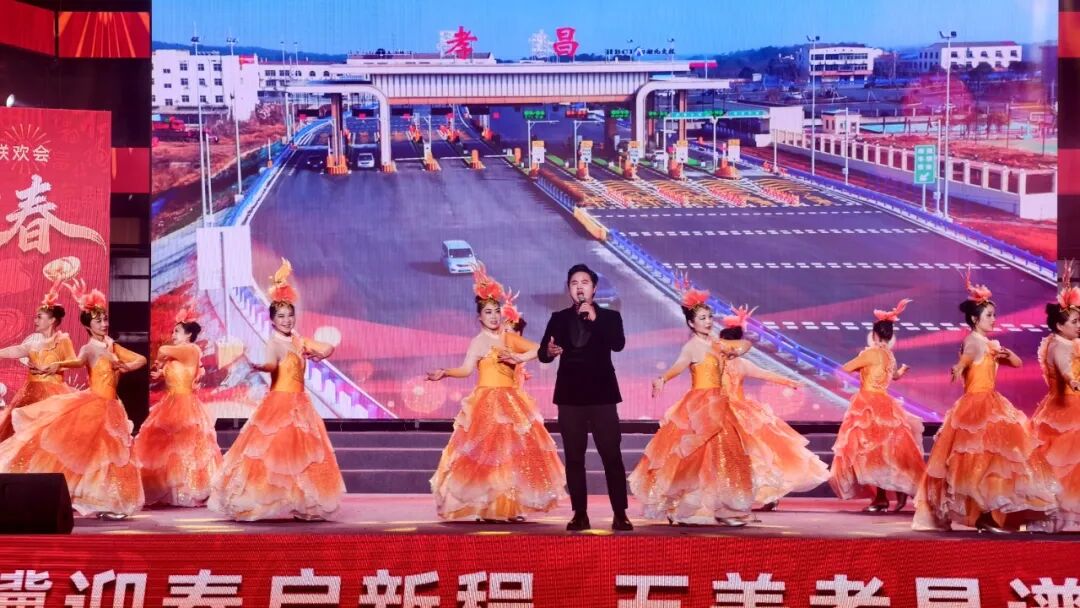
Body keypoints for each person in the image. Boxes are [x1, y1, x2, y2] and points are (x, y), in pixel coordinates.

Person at [913, 269, 1058, 533]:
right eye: (989, 315)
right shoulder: (974, 341)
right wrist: (960, 366)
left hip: (990, 403)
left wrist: (1008, 355)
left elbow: (1016, 363)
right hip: (977, 406)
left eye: (993, 314)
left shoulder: (989, 344)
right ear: (974, 318)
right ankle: (984, 515)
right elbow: (968, 356)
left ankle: (988, 515)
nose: (993, 319)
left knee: (992, 460)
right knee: (980, 460)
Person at [209, 259, 345, 521]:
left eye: (290, 316)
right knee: (274, 453)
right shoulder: (274, 343)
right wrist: (257, 365)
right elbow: (271, 364)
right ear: (272, 320)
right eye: (281, 316)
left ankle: (304, 503)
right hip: (279, 404)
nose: (286, 320)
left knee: (303, 455)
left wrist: (318, 353)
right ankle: (258, 501)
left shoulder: (298, 340)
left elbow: (328, 347)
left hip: (300, 405)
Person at [427, 265, 565, 521]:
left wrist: (518, 357)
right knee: (485, 457)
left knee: (513, 456)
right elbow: (466, 370)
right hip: (485, 403)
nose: (493, 316)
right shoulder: (477, 342)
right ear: (479, 317)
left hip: (511, 401)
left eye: (496, 311)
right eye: (488, 312)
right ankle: (486, 506)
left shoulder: (508, 338)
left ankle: (511, 507)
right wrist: (445, 373)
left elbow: (540, 349)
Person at [0, 280, 146, 519]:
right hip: (91, 404)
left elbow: (140, 359)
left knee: (110, 454)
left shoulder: (109, 345)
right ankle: (79, 496)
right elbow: (75, 361)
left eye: (105, 320)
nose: (104, 324)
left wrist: (127, 366)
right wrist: (56, 365)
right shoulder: (87, 348)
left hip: (110, 406)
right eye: (99, 321)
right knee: (78, 450)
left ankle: (107, 500)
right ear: (89, 326)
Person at [628, 276, 754, 526]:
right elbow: (678, 366)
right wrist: (662, 378)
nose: (708, 322)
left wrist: (731, 350)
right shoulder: (692, 347)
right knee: (695, 458)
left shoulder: (717, 344)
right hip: (700, 405)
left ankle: (724, 508)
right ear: (691, 323)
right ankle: (686, 508)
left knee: (725, 455)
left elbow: (745, 344)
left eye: (709, 317)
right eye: (702, 318)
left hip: (720, 404)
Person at [538, 264, 631, 531]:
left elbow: (618, 344)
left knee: (611, 455)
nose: (579, 287)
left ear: (594, 288)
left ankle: (620, 513)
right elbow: (543, 353)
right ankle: (580, 513)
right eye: (574, 283)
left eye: (585, 282)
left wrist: (595, 318)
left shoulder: (610, 317)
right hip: (570, 397)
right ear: (569, 289)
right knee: (574, 457)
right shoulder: (558, 318)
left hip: (602, 396)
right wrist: (549, 352)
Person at [718, 306, 829, 510]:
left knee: (755, 455)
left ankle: (764, 494)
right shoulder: (721, 363)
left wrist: (790, 382)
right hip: (722, 411)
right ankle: (733, 495)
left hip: (737, 414)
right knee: (736, 454)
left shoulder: (739, 364)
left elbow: (766, 374)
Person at [829, 299, 926, 513]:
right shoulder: (889, 356)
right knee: (885, 452)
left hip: (868, 404)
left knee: (871, 452)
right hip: (886, 404)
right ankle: (888, 496)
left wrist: (860, 366)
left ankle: (882, 498)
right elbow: (894, 376)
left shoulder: (870, 353)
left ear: (874, 335)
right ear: (890, 336)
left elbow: (846, 368)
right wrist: (901, 371)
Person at [134, 306, 222, 507]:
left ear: (188, 335)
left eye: (177, 331)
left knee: (184, 448)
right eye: (173, 331)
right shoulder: (179, 355)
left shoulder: (191, 349)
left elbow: (162, 350)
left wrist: (160, 361)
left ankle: (188, 491)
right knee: (168, 449)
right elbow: (175, 372)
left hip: (184, 403)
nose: (173, 335)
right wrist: (162, 372)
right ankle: (168, 491)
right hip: (170, 402)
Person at [1029, 261, 1080, 532]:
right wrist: (1073, 380)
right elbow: (1065, 370)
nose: (1079, 326)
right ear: (1060, 325)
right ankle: (1064, 518)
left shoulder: (1062, 341)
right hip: (1068, 407)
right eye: (1074, 322)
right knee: (1066, 465)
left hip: (1061, 406)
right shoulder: (1060, 346)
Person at [0, 278, 77, 442]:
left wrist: (56, 366)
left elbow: (73, 361)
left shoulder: (62, 340)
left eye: (39, 317)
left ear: (52, 320)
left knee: (49, 435)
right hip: (31, 393)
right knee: (23, 434)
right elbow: (17, 350)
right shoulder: (33, 343)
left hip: (54, 394)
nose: (35, 320)